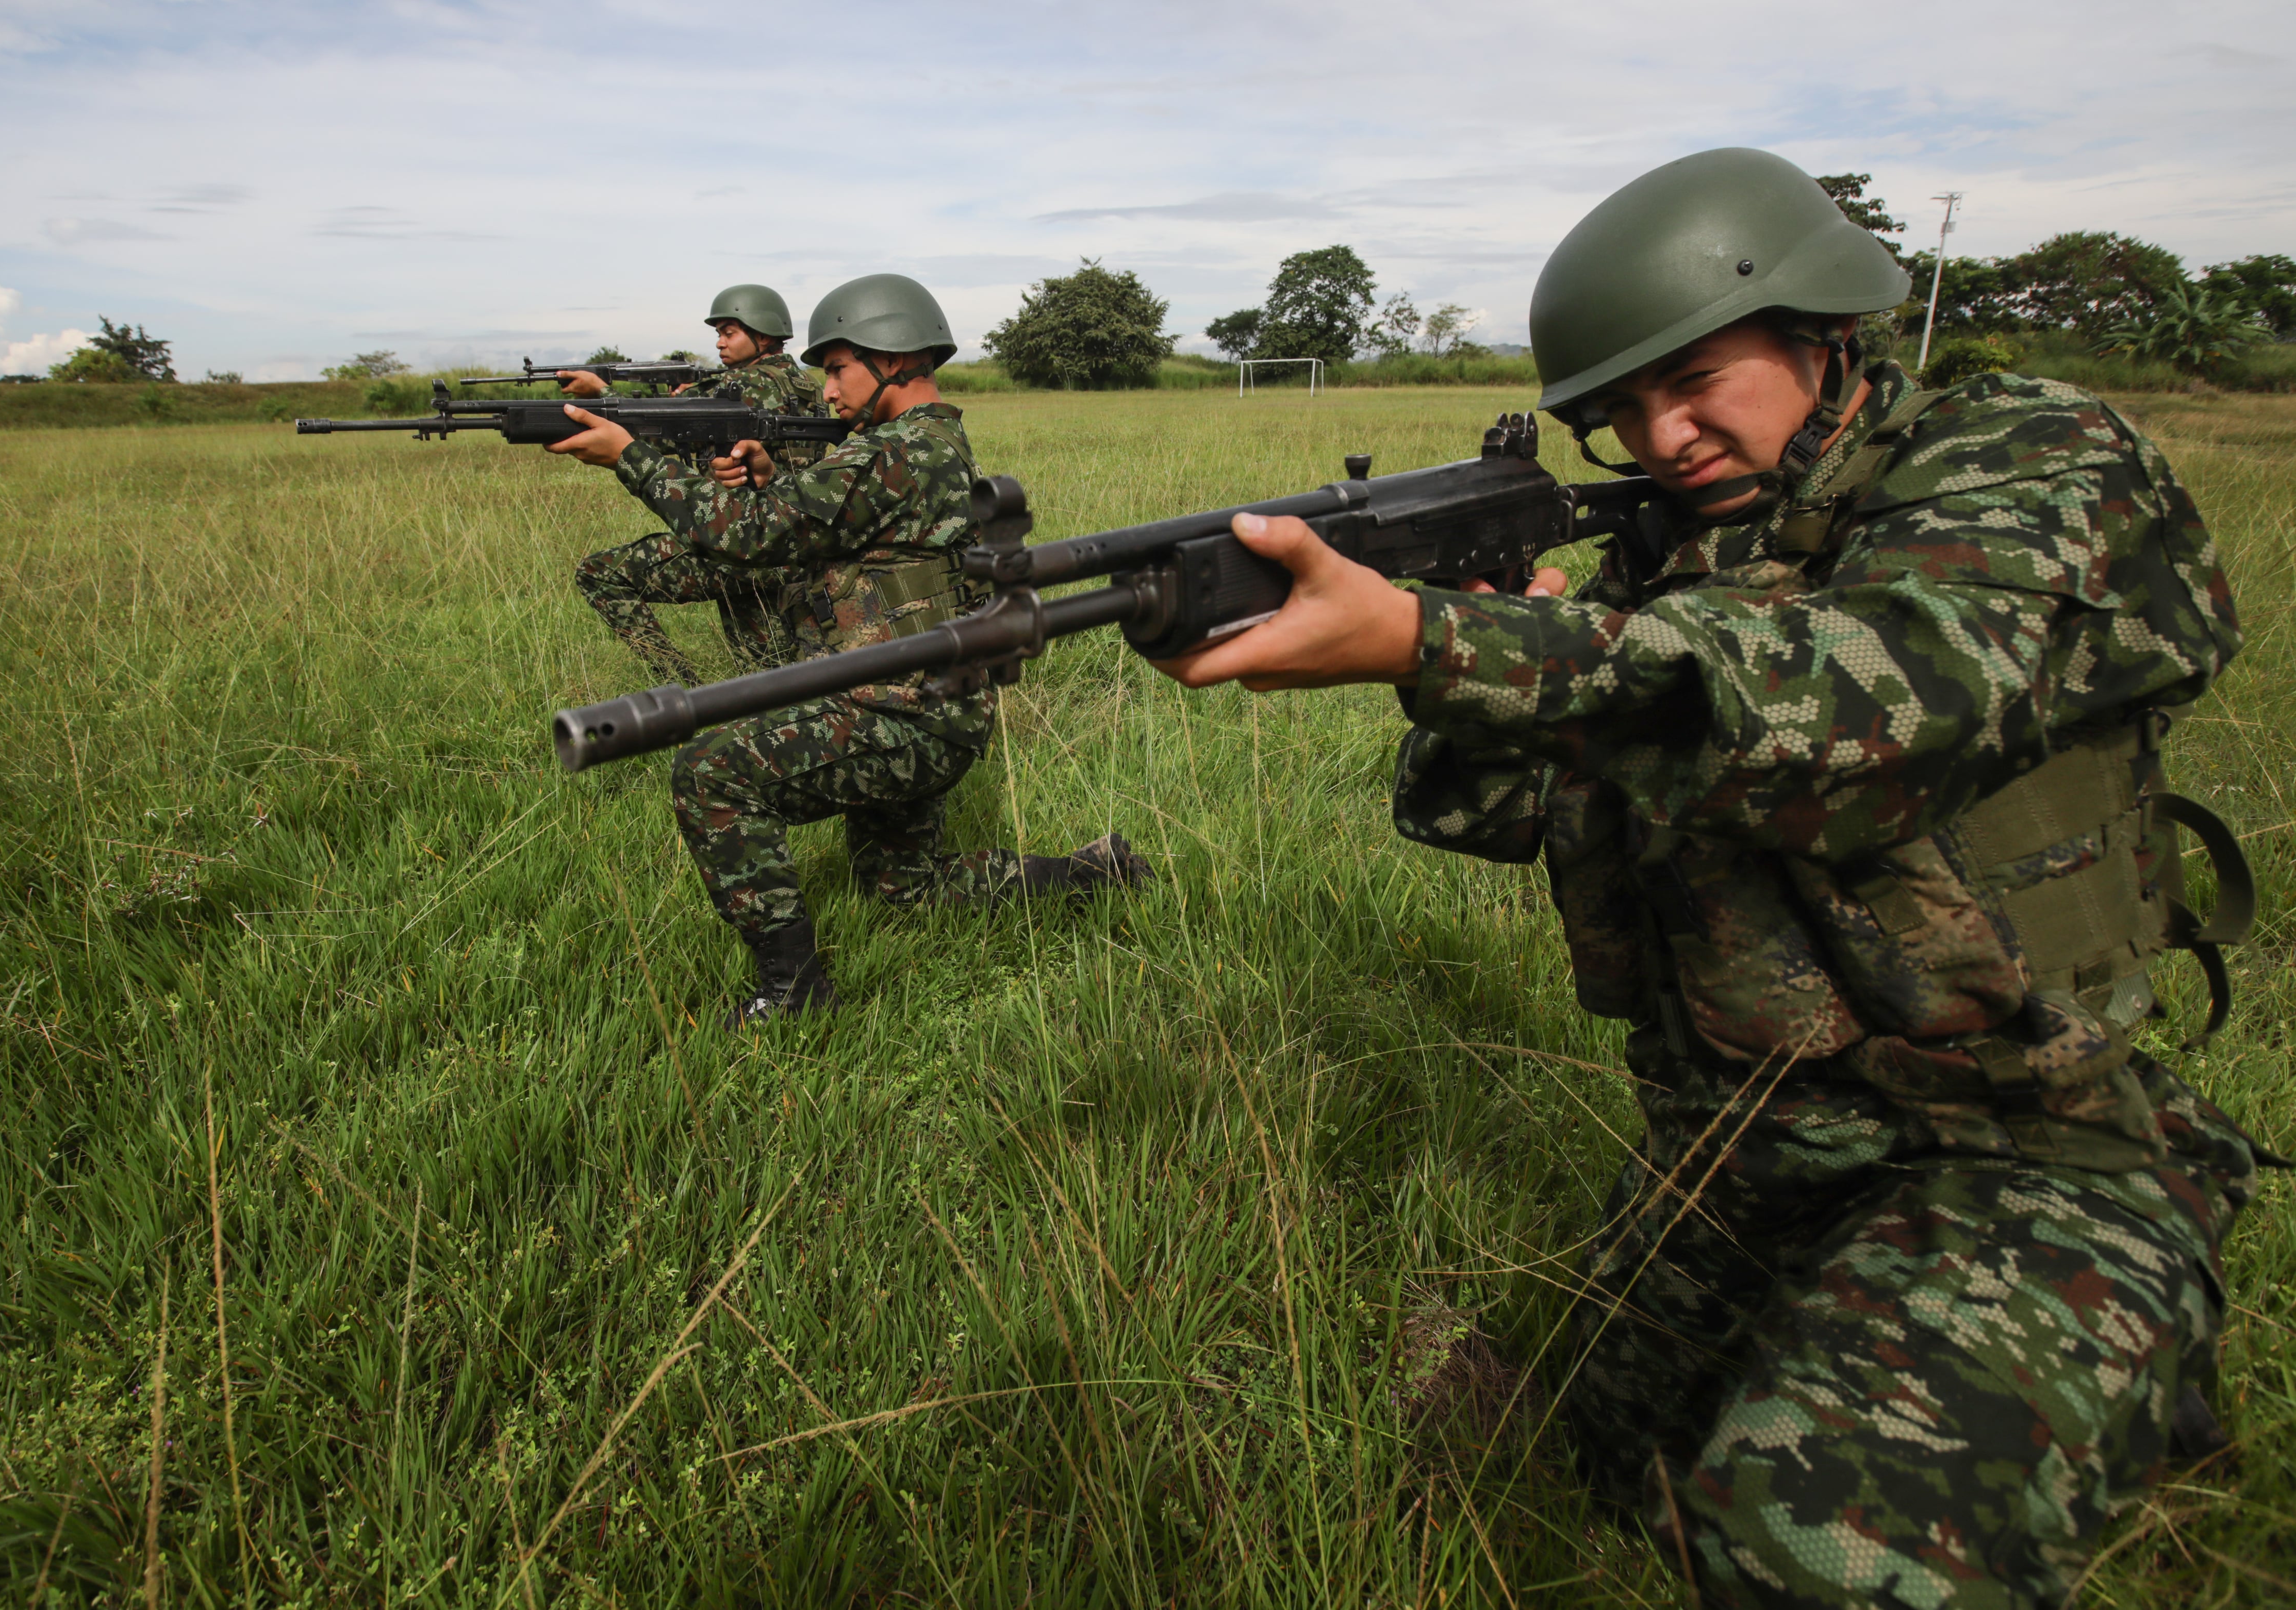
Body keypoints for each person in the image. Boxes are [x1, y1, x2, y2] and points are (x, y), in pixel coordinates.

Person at [1155, 147, 2266, 1606]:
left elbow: (1887, 700)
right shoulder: (1671, 563)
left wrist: (1445, 643)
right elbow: (1488, 810)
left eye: (1694, 384)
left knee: (1813, 1554)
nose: (1663, 436)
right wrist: (1491, 652)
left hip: (2023, 1135)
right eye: (1621, 413)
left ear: (1824, 330)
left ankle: (2124, 1327)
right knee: (1602, 1469)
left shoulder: (2030, 455)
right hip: (1749, 1125)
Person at [549, 273, 1148, 1024]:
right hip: (929, 700)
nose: (825, 390)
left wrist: (632, 456)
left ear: (891, 357)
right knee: (906, 884)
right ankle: (1094, 875)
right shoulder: (926, 444)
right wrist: (767, 480)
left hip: (905, 711)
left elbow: (743, 536)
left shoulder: (895, 454)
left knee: (710, 774)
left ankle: (793, 992)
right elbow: (809, 530)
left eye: (837, 369)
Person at [566, 285, 829, 688]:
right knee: (765, 674)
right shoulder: (809, 386)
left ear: (762, 333)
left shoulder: (743, 386)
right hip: (789, 543)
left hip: (742, 542)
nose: (720, 343)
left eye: (729, 332)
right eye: (719, 334)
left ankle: (683, 687)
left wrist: (601, 391)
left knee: (600, 575)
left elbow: (654, 427)